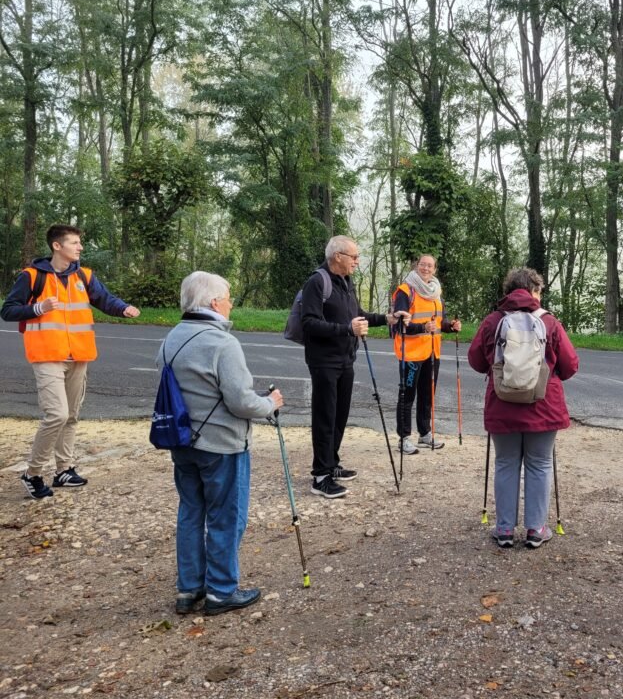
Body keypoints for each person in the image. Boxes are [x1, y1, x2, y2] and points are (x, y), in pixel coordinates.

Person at [160, 272, 284, 616]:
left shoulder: (170, 338)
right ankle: (221, 591)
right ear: (214, 303)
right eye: (228, 297)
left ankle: (189, 588)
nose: (231, 303)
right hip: (222, 443)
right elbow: (241, 402)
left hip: (182, 440)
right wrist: (270, 403)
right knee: (226, 517)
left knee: (190, 512)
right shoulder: (222, 343)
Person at [1, 224, 140, 499]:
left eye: (79, 242)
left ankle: (64, 470)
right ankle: (33, 473)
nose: (80, 247)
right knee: (57, 415)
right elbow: (7, 311)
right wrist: (38, 308)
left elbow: (105, 300)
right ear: (57, 246)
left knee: (72, 416)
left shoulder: (84, 276)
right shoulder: (31, 277)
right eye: (74, 243)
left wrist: (123, 308)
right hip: (47, 356)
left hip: (78, 355)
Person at [468, 267, 578, 549]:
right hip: (543, 405)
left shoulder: (493, 321)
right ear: (535, 291)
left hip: (502, 404)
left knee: (505, 463)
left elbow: (477, 362)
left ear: (509, 291)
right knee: (539, 464)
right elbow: (570, 366)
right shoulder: (550, 322)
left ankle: (504, 530)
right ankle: (535, 529)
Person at [301, 235, 404, 498]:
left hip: (346, 359)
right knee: (325, 416)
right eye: (354, 257)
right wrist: (347, 329)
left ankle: (332, 464)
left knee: (339, 415)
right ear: (338, 256)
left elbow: (358, 315)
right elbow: (309, 323)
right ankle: (320, 476)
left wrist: (387, 318)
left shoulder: (346, 282)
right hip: (324, 361)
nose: (357, 262)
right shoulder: (317, 282)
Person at [391, 254, 461, 455]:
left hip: (432, 353)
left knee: (427, 395)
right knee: (407, 395)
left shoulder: (436, 291)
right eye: (423, 265)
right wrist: (422, 326)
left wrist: (450, 326)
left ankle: (424, 434)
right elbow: (399, 324)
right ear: (416, 266)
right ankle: (403, 438)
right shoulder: (405, 291)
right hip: (411, 354)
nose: (426, 268)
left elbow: (439, 322)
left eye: (430, 266)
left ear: (435, 269)